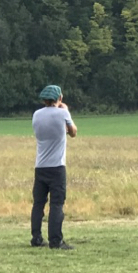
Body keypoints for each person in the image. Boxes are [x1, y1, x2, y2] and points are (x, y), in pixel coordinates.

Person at [31, 84, 78, 250]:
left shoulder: (36, 115)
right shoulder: (63, 113)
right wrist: (65, 110)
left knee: (38, 203)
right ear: (59, 98)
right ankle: (55, 240)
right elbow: (73, 132)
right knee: (56, 204)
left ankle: (36, 237)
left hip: (40, 166)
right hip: (57, 166)